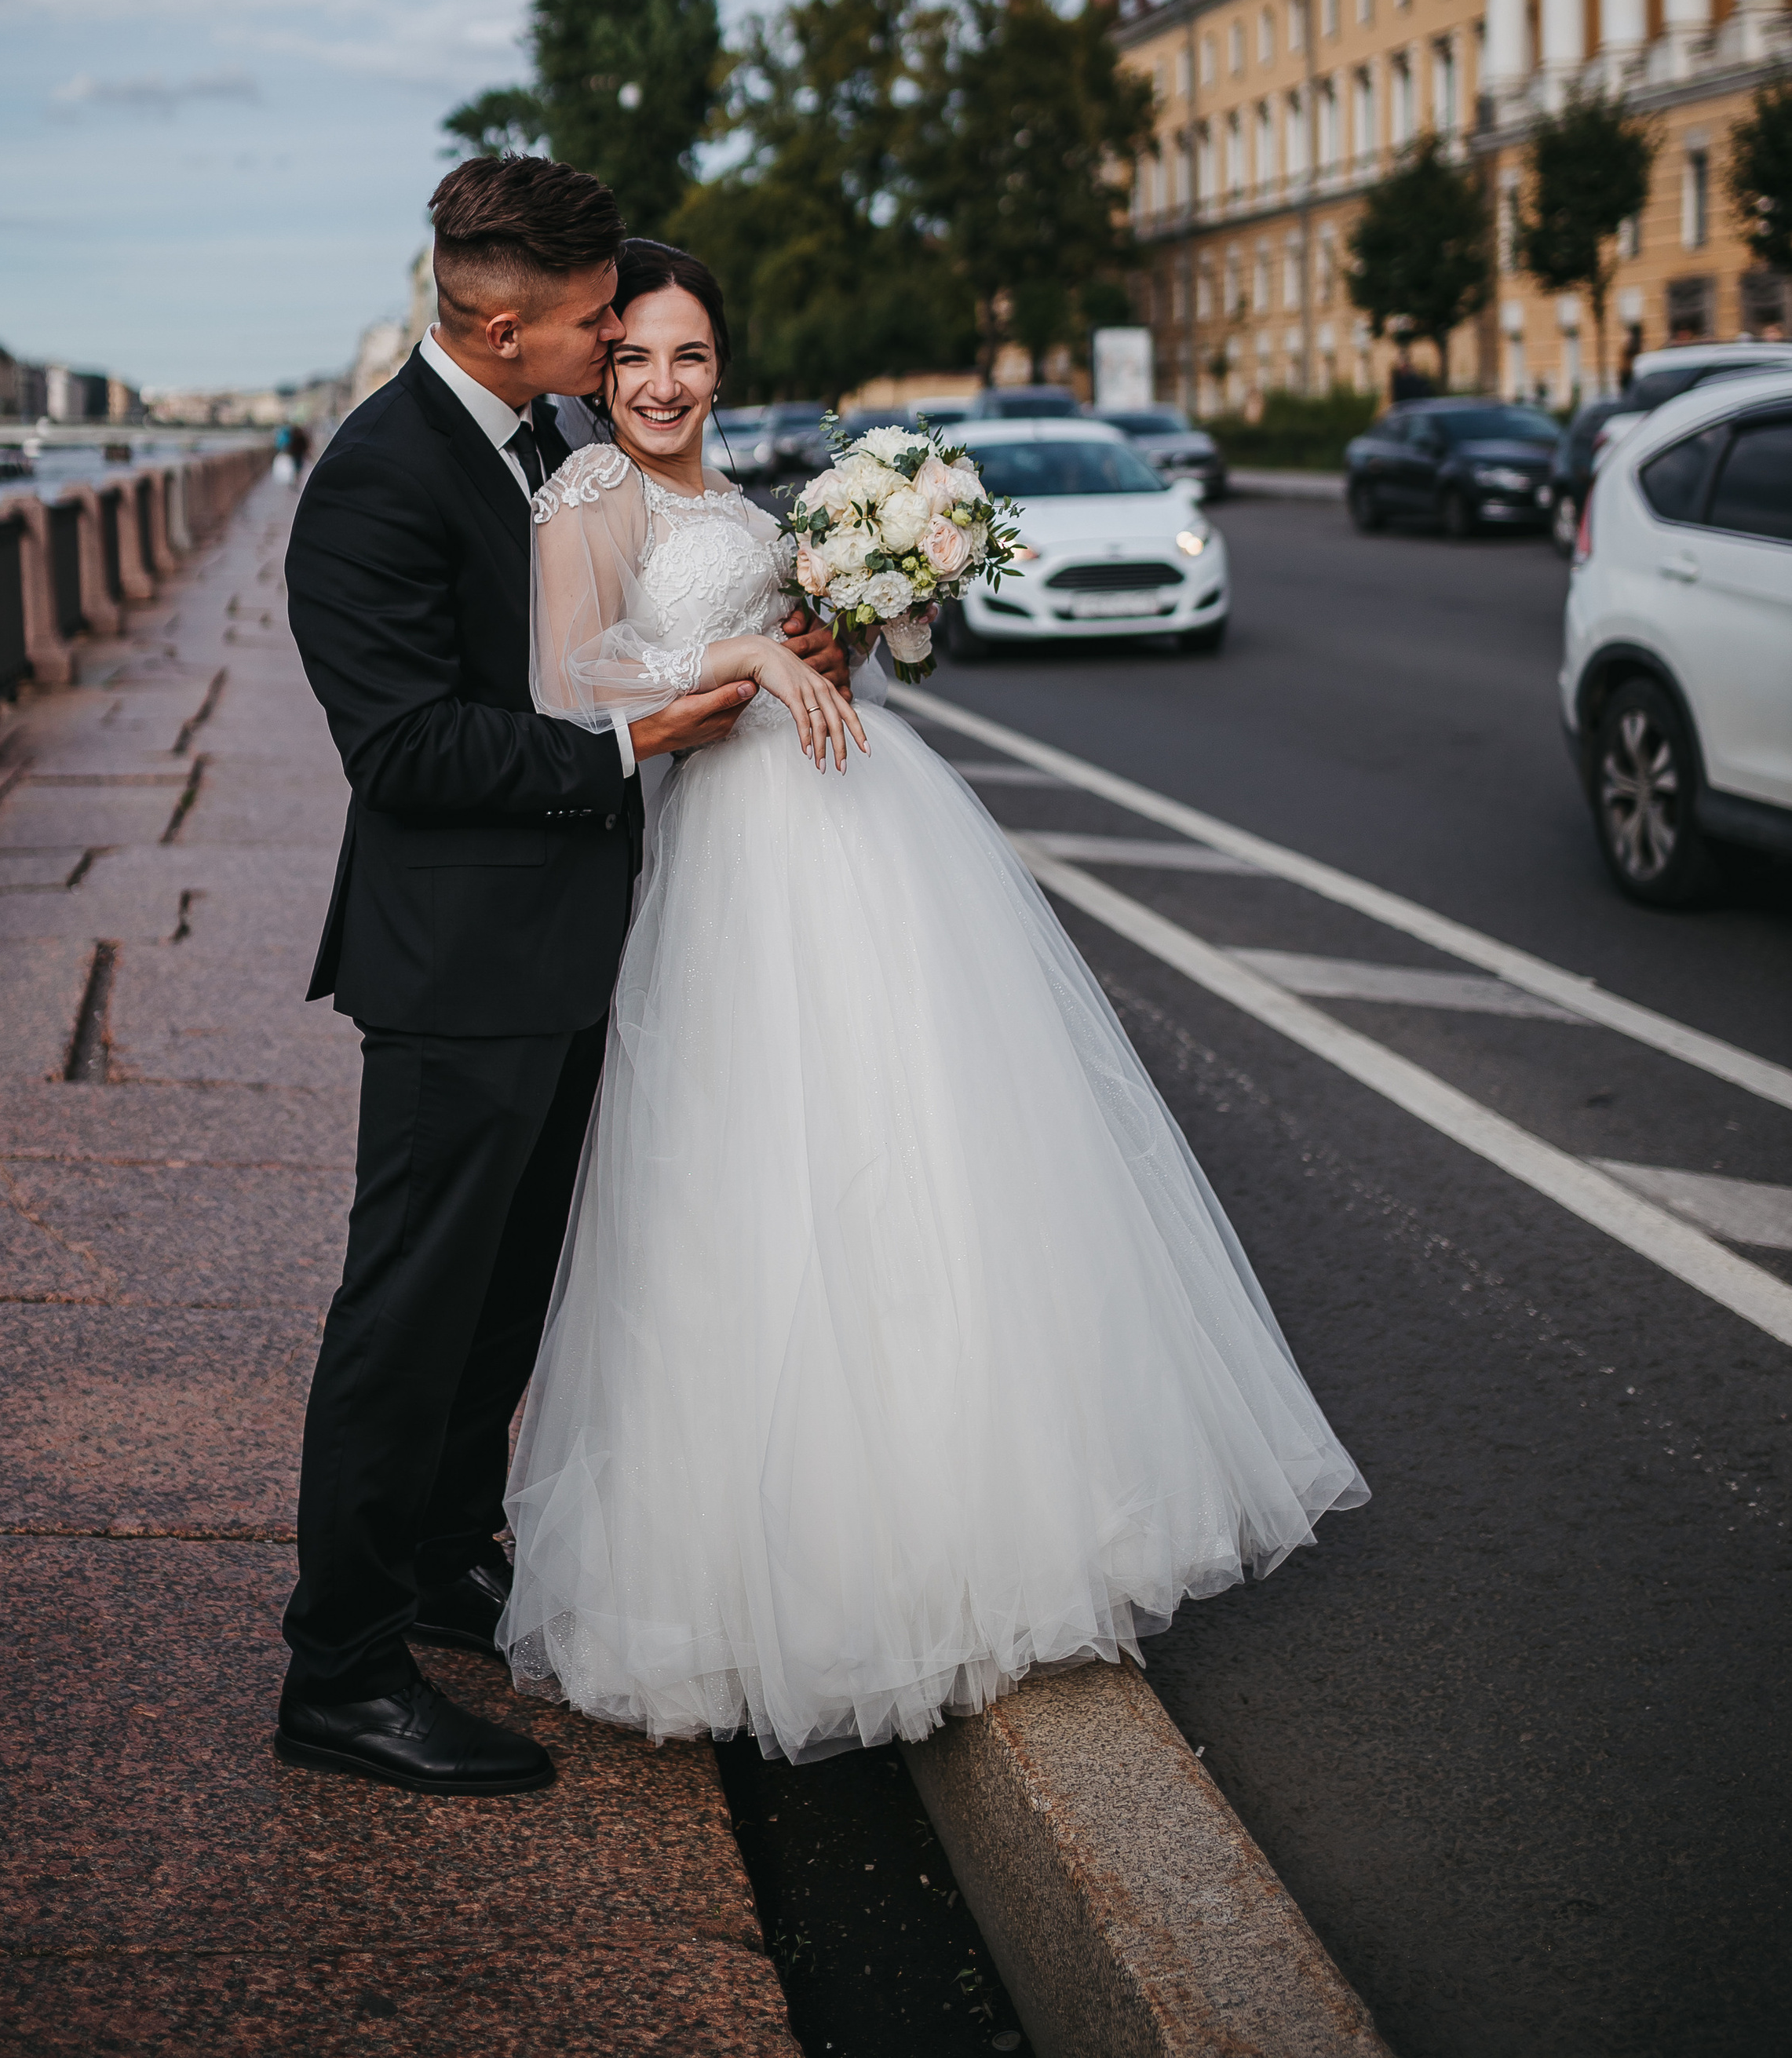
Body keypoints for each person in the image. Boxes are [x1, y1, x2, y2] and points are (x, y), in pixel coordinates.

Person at [501, 243, 1367, 1764]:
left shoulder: (750, 504)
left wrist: (868, 614)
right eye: (632, 356)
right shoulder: (586, 501)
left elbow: (844, 665)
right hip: (733, 867)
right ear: (594, 365)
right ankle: (797, 1573)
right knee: (763, 1181)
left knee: (933, 1153)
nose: (658, 383)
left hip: (867, 829)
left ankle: (977, 1530)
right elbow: (572, 682)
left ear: (722, 364)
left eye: (688, 355)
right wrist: (754, 651)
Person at [275, 157, 849, 1797]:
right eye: (601, 322)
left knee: (500, 1300)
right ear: (508, 319)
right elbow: (404, 748)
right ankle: (339, 1671)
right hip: (458, 965)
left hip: (571, 945)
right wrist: (649, 731)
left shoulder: (543, 433)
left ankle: (450, 1560)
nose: (619, 349)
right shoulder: (378, 478)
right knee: (408, 1313)